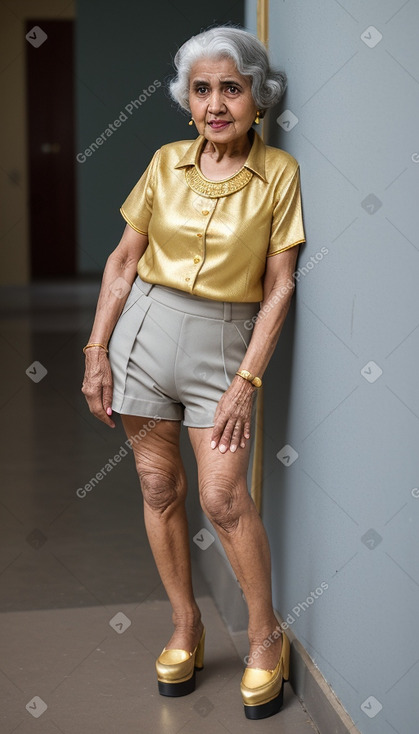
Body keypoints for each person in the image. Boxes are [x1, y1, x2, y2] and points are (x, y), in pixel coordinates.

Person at [82, 25, 305, 721]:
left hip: (223, 349)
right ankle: (185, 625)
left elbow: (280, 286)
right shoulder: (163, 161)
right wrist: (95, 352)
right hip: (142, 336)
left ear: (256, 99)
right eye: (202, 90)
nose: (215, 104)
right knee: (157, 484)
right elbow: (123, 262)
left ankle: (266, 637)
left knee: (221, 498)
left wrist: (246, 381)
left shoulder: (278, 177)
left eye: (230, 89)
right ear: (186, 100)